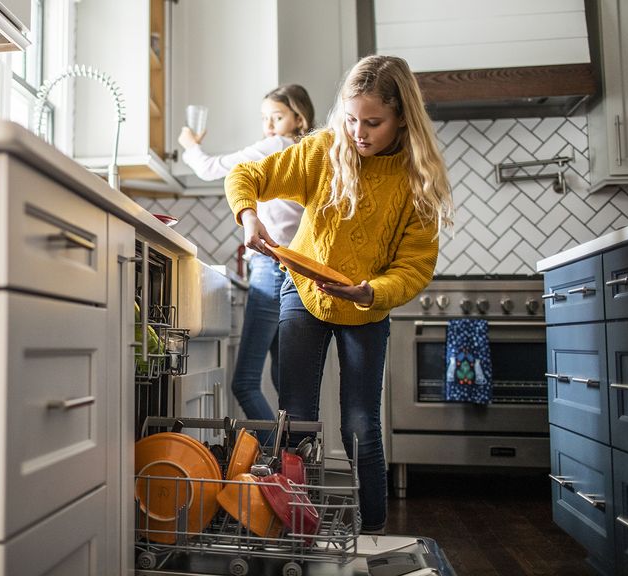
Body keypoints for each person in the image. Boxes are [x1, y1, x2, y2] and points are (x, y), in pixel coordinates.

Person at [224, 55, 454, 534]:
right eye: (351, 119)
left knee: (361, 428)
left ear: (402, 119)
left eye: (373, 122)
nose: (359, 133)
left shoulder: (416, 180)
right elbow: (245, 177)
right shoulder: (324, 149)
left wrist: (369, 292)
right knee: (297, 424)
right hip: (303, 294)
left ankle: (372, 535)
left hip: (368, 307)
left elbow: (414, 267)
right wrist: (249, 215)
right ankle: (296, 532)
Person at [178, 84, 315, 425]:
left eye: (277, 116)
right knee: (286, 384)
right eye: (265, 118)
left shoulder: (276, 147)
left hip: (271, 270)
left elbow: (212, 169)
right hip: (294, 272)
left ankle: (274, 460)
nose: (269, 126)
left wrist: (191, 146)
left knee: (244, 384)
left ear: (299, 118)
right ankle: (292, 465)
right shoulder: (306, 153)